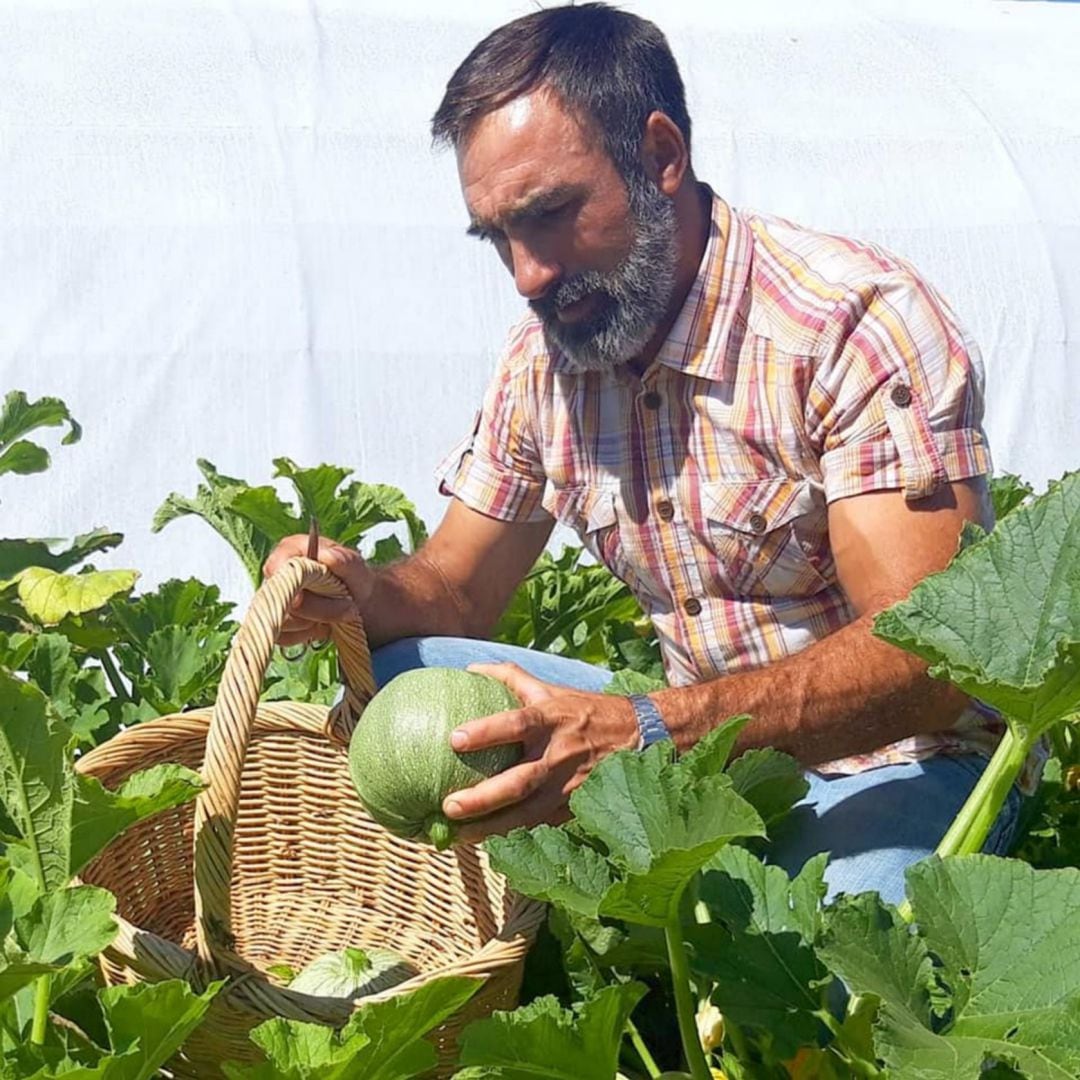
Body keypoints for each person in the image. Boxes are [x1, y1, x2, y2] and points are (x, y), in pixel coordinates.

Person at [265, 3, 1028, 905]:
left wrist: (652, 733)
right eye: (498, 237)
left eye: (549, 215)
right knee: (410, 677)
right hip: (685, 756)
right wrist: (365, 591)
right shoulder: (541, 365)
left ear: (661, 156)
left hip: (897, 764)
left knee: (830, 965)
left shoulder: (851, 325)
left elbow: (929, 666)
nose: (527, 274)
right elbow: (458, 591)